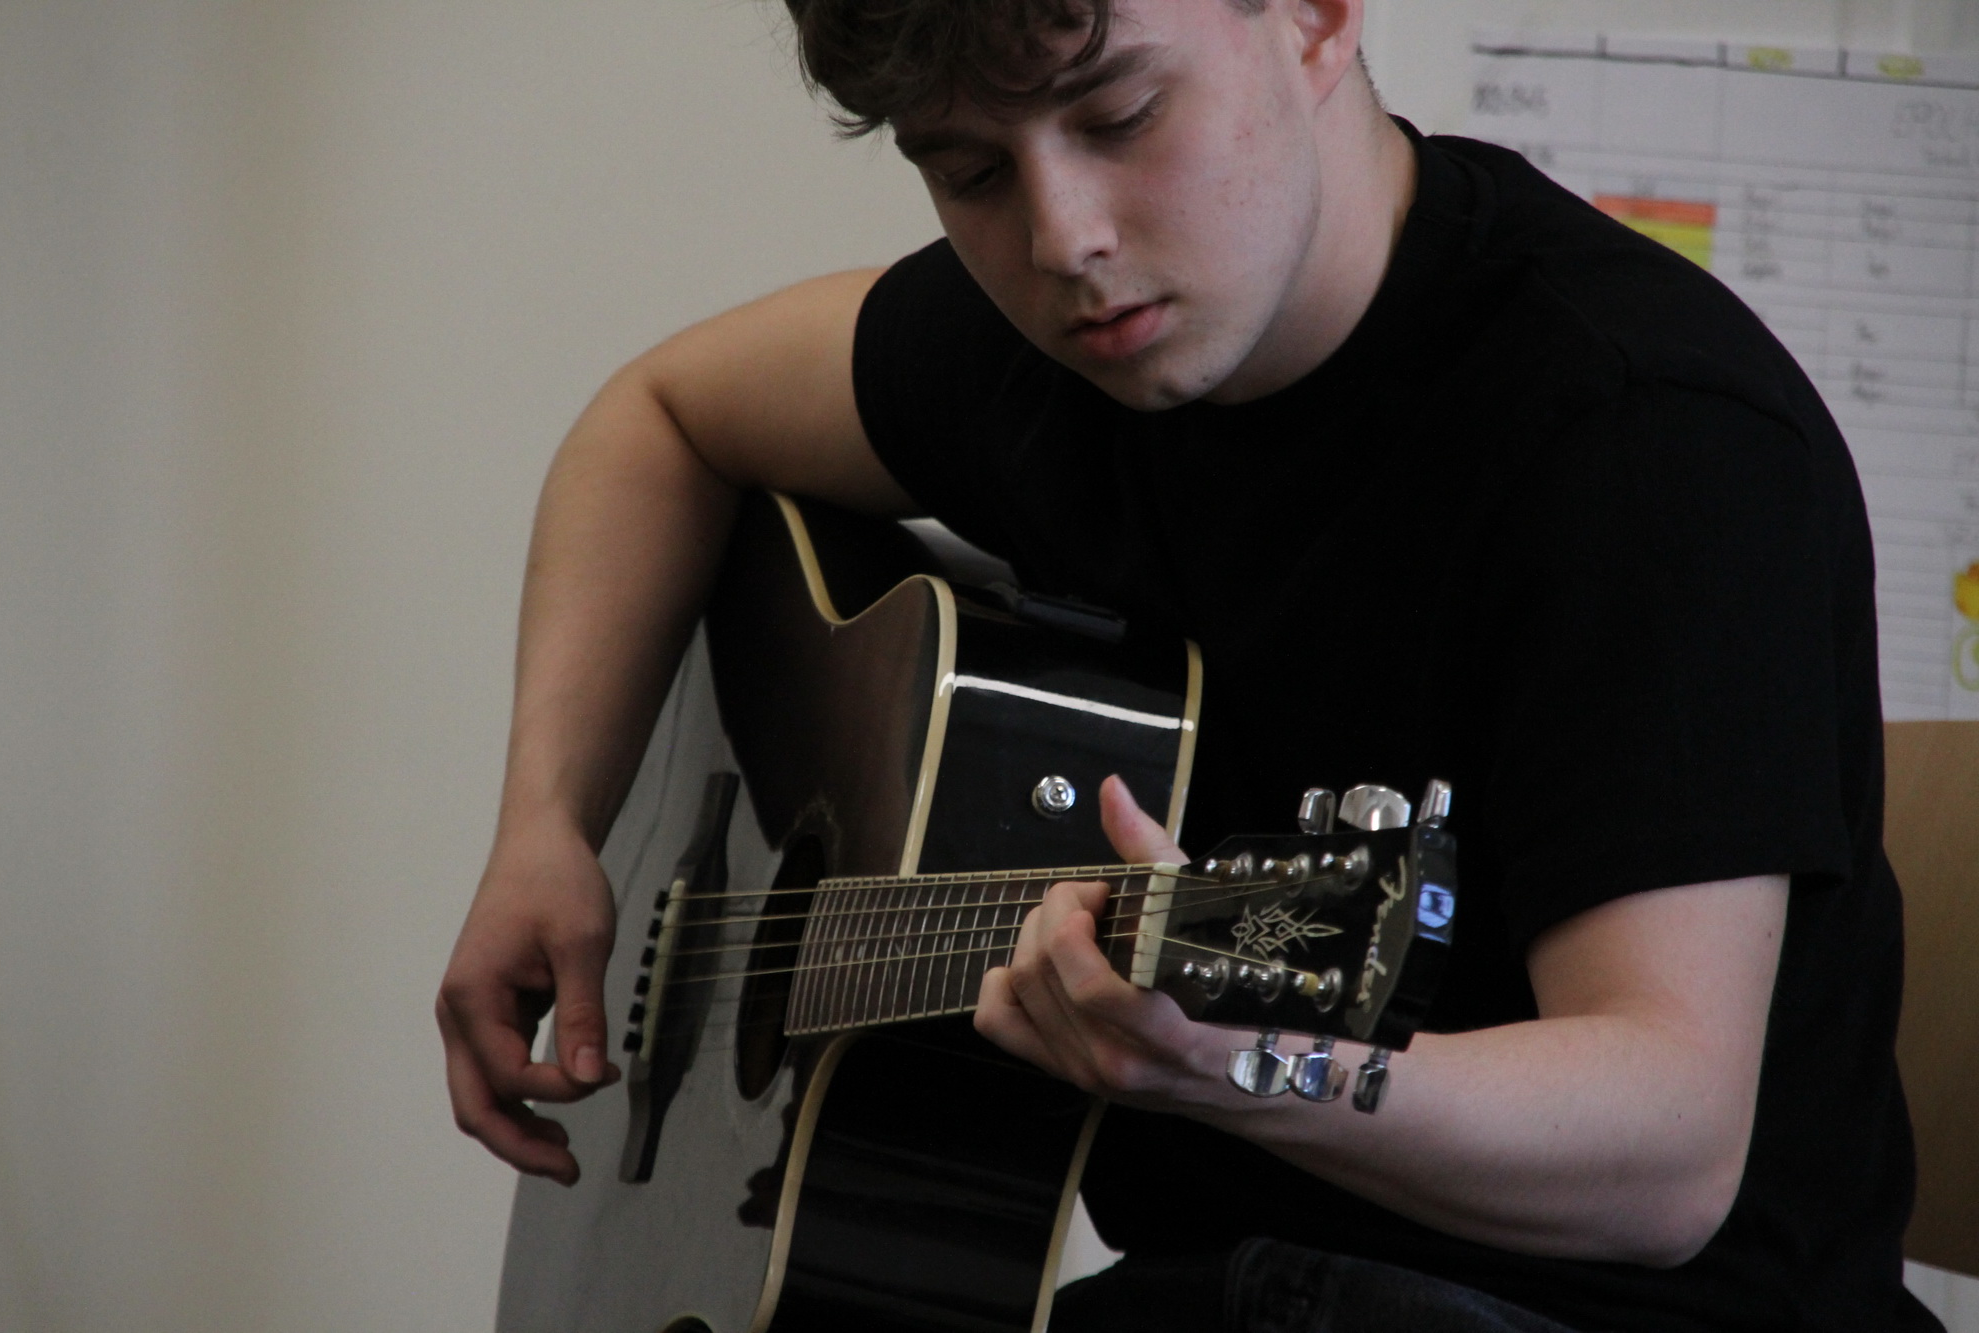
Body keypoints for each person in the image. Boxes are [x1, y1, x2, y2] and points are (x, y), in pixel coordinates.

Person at [435, 1, 1939, 1329]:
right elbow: (659, 420)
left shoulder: (1643, 437)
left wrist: (1236, 1065)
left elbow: (1667, 1153)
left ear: (1317, 17)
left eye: (1122, 117)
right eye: (969, 170)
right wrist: (550, 824)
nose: (1062, 239)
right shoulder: (1060, 351)